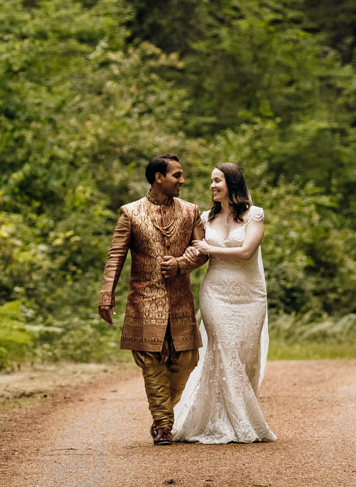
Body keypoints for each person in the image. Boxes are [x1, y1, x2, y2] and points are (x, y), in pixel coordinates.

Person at [99, 154, 209, 445]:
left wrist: (182, 264)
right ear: (159, 178)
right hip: (144, 300)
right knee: (151, 361)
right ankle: (163, 425)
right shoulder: (130, 213)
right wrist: (106, 294)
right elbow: (115, 256)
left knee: (187, 360)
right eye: (177, 175)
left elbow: (202, 249)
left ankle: (164, 413)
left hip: (181, 301)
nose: (182, 180)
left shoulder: (190, 211)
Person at [171, 162, 275, 444]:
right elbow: (192, 252)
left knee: (246, 355)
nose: (212, 186)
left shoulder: (255, 215)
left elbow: (246, 253)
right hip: (216, 292)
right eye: (211, 181)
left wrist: (209, 247)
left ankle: (238, 414)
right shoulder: (204, 219)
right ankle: (232, 421)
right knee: (224, 349)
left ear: (232, 182)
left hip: (250, 295)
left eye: (217, 181)